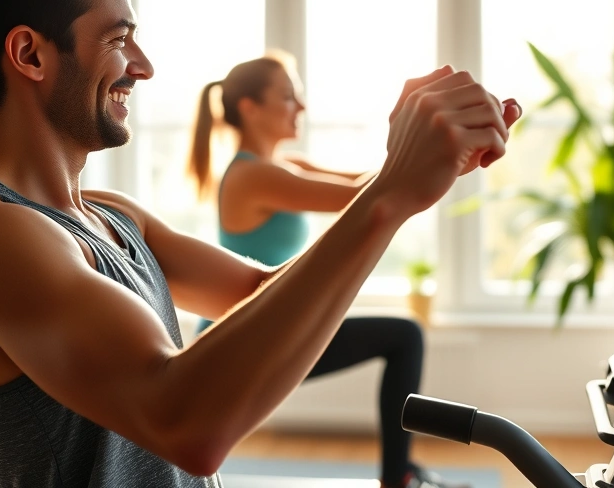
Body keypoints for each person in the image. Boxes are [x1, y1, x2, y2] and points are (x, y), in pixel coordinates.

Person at [0, 0, 521, 488]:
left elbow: (259, 295)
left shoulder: (112, 215)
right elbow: (185, 424)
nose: (143, 67)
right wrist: (388, 194)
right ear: (30, 54)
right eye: (119, 40)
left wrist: (410, 183)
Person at [188, 54, 519, 488]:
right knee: (405, 336)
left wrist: (450, 152)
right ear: (249, 108)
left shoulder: (287, 167)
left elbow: (375, 179)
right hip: (237, 345)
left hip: (272, 329)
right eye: (288, 97)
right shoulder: (252, 177)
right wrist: (436, 148)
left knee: (403, 337)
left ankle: (398, 473)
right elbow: (361, 196)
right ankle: (397, 476)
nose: (301, 108)